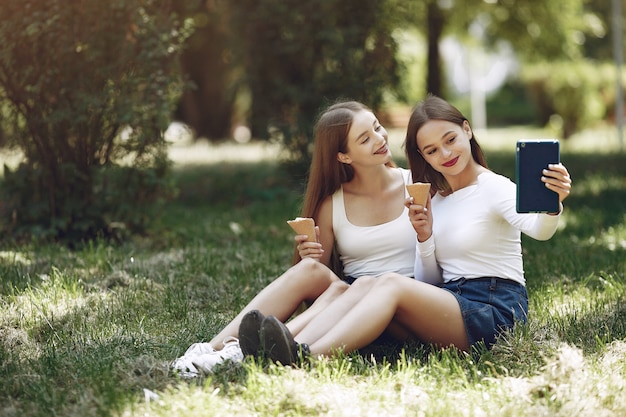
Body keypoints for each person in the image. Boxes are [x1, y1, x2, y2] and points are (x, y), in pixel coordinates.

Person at [240, 95, 572, 365]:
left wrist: (551, 205)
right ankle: (282, 344)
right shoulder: (437, 198)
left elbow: (539, 230)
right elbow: (429, 281)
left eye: (450, 140)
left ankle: (306, 357)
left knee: (388, 284)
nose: (445, 154)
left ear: (467, 131)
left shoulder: (494, 187)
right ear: (423, 157)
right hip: (451, 300)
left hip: (495, 309)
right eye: (431, 150)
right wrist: (424, 238)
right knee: (366, 285)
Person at [171, 101, 420, 376]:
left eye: (377, 127)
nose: (380, 138)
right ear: (343, 157)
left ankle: (254, 351)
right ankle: (213, 349)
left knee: (360, 287)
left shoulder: (417, 185)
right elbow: (322, 278)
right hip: (348, 299)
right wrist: (309, 256)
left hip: (401, 304)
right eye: (365, 138)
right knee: (310, 270)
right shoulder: (332, 204)